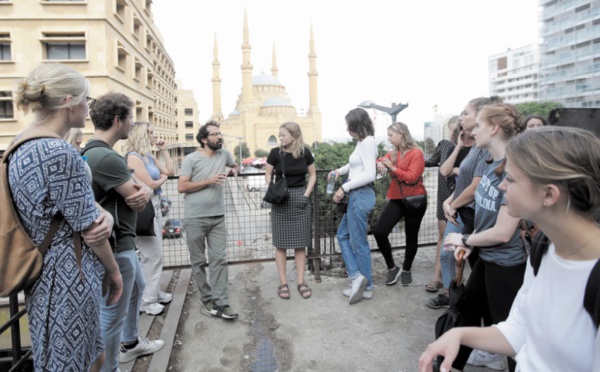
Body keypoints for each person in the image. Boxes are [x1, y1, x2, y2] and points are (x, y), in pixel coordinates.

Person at [420, 126, 600, 372]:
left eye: (511, 179)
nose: (502, 187)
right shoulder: (544, 249)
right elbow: (520, 328)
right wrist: (459, 335)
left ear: (549, 194)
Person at [10, 64, 122, 371]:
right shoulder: (60, 153)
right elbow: (91, 230)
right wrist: (114, 273)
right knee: (77, 361)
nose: (89, 107)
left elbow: (70, 206)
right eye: (87, 99)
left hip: (41, 269)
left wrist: (100, 216)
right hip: (69, 274)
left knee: (73, 356)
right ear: (69, 101)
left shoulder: (21, 143)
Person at [440, 103, 527, 371]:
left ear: (494, 128)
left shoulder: (516, 168)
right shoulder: (491, 163)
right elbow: (486, 217)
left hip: (506, 264)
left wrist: (464, 240)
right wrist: (471, 242)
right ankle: (449, 365)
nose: (472, 130)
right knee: (466, 311)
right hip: (486, 255)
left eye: (478, 125)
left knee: (511, 335)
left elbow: (502, 232)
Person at [85, 92, 164, 370]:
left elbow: (139, 190)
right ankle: (111, 367)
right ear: (118, 120)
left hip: (123, 243)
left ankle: (131, 342)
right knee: (112, 314)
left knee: (138, 288)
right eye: (130, 117)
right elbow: (140, 198)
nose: (133, 123)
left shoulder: (100, 153)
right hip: (117, 246)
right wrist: (142, 188)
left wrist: (141, 188)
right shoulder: (105, 158)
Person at [427, 96, 502, 310]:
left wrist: (453, 203)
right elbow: (449, 174)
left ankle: (460, 302)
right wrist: (451, 201)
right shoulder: (473, 146)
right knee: (447, 253)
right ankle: (453, 297)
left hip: (470, 213)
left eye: (466, 114)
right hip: (460, 210)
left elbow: (475, 186)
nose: (462, 118)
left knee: (475, 264)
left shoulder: (486, 149)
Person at [178, 120, 240, 319]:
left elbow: (235, 165)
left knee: (219, 259)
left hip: (218, 217)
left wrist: (234, 169)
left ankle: (222, 302)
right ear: (204, 139)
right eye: (214, 134)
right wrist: (208, 181)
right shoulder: (191, 159)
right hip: (194, 217)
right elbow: (182, 187)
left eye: (220, 133)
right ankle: (207, 299)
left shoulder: (224, 154)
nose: (219, 136)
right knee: (198, 261)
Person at [124, 122, 175, 315]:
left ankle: (152, 293)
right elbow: (151, 184)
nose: (155, 136)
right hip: (145, 207)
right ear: (141, 135)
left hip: (154, 205)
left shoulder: (148, 156)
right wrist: (161, 180)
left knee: (155, 253)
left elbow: (170, 172)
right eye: (151, 133)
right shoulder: (134, 158)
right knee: (152, 255)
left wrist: (165, 150)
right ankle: (147, 301)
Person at [329, 108, 377, 304]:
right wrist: (340, 171)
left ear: (357, 125)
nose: (347, 129)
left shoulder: (367, 143)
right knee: (345, 236)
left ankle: (362, 282)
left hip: (359, 194)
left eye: (350, 125)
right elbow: (357, 165)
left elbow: (369, 174)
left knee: (358, 243)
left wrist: (343, 187)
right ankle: (361, 281)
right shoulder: (364, 142)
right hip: (359, 195)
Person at [265, 122, 316, 300]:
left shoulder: (305, 153)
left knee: (300, 244)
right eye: (279, 135)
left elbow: (313, 175)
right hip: (281, 200)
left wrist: (306, 195)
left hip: (300, 198)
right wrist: (275, 190)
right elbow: (268, 175)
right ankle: (283, 282)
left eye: (283, 135)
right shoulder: (274, 154)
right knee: (280, 244)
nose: (280, 138)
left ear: (294, 136)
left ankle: (301, 281)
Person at [374, 122, 427, 287]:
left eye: (391, 135)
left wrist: (392, 167)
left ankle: (407, 269)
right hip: (397, 198)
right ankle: (392, 267)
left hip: (415, 200)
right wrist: (380, 164)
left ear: (401, 134)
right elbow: (380, 160)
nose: (389, 139)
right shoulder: (393, 153)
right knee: (379, 232)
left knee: (411, 237)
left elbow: (411, 178)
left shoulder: (416, 153)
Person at [423, 116, 459, 292]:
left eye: (457, 129)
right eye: (452, 129)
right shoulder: (445, 145)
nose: (455, 133)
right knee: (443, 236)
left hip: (461, 196)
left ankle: (453, 281)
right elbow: (430, 161)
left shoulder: (473, 147)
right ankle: (437, 277)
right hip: (444, 195)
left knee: (456, 239)